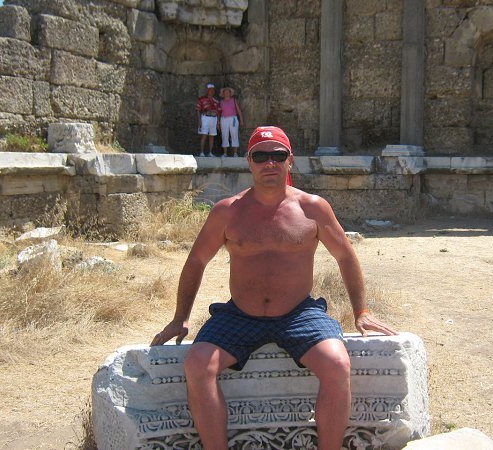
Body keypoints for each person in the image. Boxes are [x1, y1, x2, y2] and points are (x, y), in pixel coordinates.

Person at [151, 126, 397, 450]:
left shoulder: (312, 208)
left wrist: (361, 311)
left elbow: (345, 256)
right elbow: (197, 261)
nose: (270, 163)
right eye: (261, 156)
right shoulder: (227, 211)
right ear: (249, 161)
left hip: (298, 314)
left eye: (278, 155)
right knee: (197, 363)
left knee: (337, 364)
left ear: (290, 160)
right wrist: (180, 317)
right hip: (240, 315)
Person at [196, 83, 221, 157]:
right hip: (205, 117)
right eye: (210, 90)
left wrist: (218, 122)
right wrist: (199, 120)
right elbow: (198, 110)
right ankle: (201, 152)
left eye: (212, 90)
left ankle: (210, 152)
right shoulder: (201, 99)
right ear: (207, 90)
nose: (211, 91)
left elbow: (218, 112)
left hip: (214, 118)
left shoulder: (216, 101)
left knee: (211, 136)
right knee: (204, 135)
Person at [218, 87, 244, 157]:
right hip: (223, 119)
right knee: (224, 135)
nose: (227, 93)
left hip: (233, 119)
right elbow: (219, 112)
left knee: (234, 135)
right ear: (223, 94)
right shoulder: (221, 102)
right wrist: (218, 121)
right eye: (225, 92)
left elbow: (238, 110)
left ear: (230, 93)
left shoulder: (234, 100)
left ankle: (235, 153)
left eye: (228, 92)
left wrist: (241, 120)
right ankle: (225, 153)